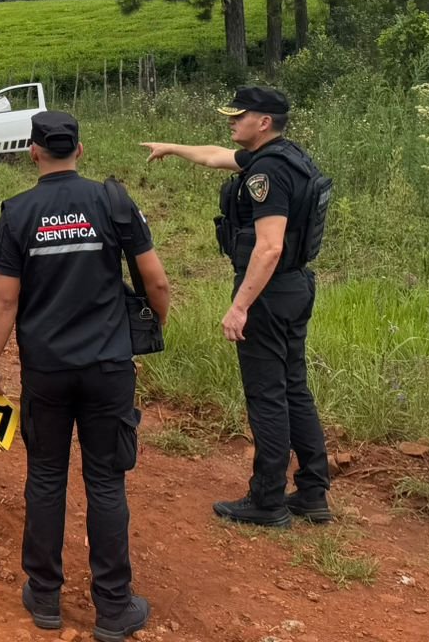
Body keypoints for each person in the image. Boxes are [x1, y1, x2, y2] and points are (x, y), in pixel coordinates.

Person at [0, 111, 170, 639]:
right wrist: (153, 328)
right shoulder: (113, 202)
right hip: (108, 366)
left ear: (33, 153)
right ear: (80, 151)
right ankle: (113, 607)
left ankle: (44, 596)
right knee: (106, 482)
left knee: (45, 477)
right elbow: (156, 282)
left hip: (47, 369)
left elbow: (4, 298)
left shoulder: (17, 212)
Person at [141, 85, 331, 529]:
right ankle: (312, 492)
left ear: (263, 122)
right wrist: (171, 147)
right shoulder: (287, 156)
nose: (231, 121)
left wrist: (241, 306)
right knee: (294, 388)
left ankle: (267, 500)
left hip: (268, 293)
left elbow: (269, 247)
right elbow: (214, 156)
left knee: (267, 395)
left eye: (238, 115)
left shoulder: (268, 173)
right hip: (295, 286)